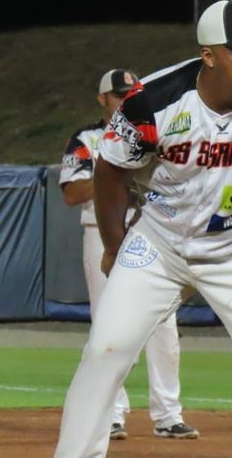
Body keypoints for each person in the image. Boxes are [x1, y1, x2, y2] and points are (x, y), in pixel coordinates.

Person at [53, 0, 232, 458]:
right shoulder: (152, 101)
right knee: (104, 351)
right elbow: (109, 170)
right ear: (209, 55)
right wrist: (113, 244)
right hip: (159, 243)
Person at [58, 68, 198, 441]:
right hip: (100, 231)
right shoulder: (87, 139)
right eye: (118, 95)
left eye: (129, 93)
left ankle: (168, 414)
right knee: (108, 321)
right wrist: (113, 178)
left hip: (153, 232)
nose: (124, 100)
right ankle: (113, 413)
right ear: (102, 99)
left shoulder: (157, 128)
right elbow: (71, 191)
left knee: (164, 326)